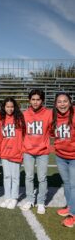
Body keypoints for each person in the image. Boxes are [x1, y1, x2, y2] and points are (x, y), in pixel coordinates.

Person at [21, 89, 52, 214]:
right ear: (29, 100)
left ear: (42, 100)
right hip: (28, 150)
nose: (35, 102)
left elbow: (52, 129)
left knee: (42, 178)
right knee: (28, 177)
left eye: (38, 99)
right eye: (33, 99)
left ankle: (41, 202)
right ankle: (29, 199)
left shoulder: (49, 113)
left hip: (42, 151)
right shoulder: (24, 114)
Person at [53, 93, 75, 228]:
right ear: (56, 104)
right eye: (59, 102)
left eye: (65, 101)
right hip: (60, 156)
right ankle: (70, 206)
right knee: (66, 183)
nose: (62, 104)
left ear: (70, 102)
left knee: (74, 185)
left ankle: (72, 215)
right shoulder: (54, 116)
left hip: (74, 157)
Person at [0, 97, 25, 209]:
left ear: (15, 107)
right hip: (5, 151)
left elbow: (24, 135)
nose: (9, 109)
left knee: (15, 176)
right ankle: (7, 197)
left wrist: (22, 149)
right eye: (7, 107)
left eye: (11, 106)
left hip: (16, 151)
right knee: (6, 176)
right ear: (4, 107)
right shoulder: (1, 118)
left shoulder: (20, 118)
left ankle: (14, 197)